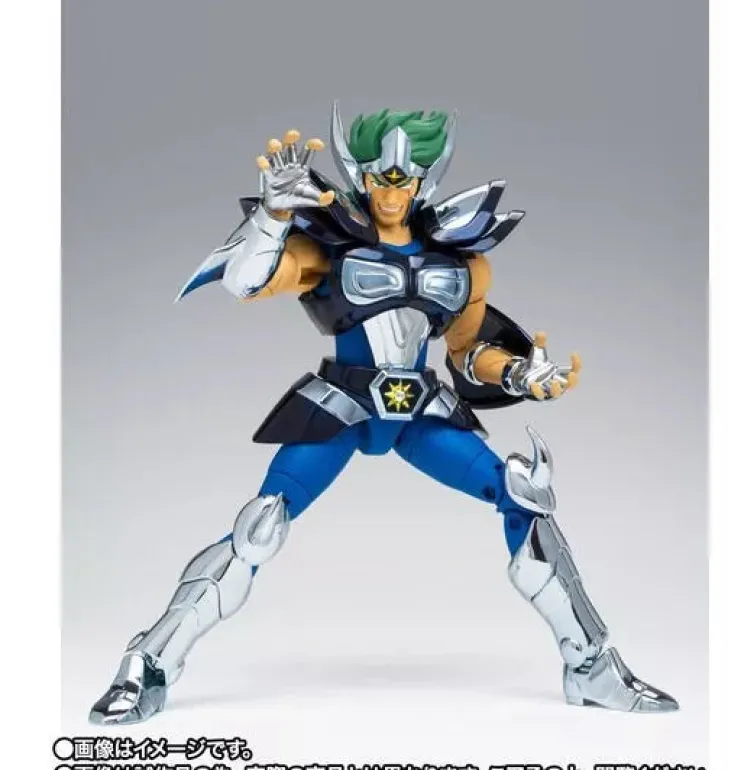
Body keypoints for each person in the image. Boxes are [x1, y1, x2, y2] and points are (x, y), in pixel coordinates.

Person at [89, 104, 678, 725]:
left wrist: (516, 373)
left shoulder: (460, 260)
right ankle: (149, 663)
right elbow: (247, 282)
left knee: (525, 497)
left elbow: (467, 350)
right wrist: (272, 217)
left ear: (426, 179)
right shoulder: (330, 247)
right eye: (380, 178)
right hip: (344, 406)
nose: (392, 193)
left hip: (420, 411)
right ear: (361, 176)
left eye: (405, 179)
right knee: (261, 525)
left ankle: (592, 666)